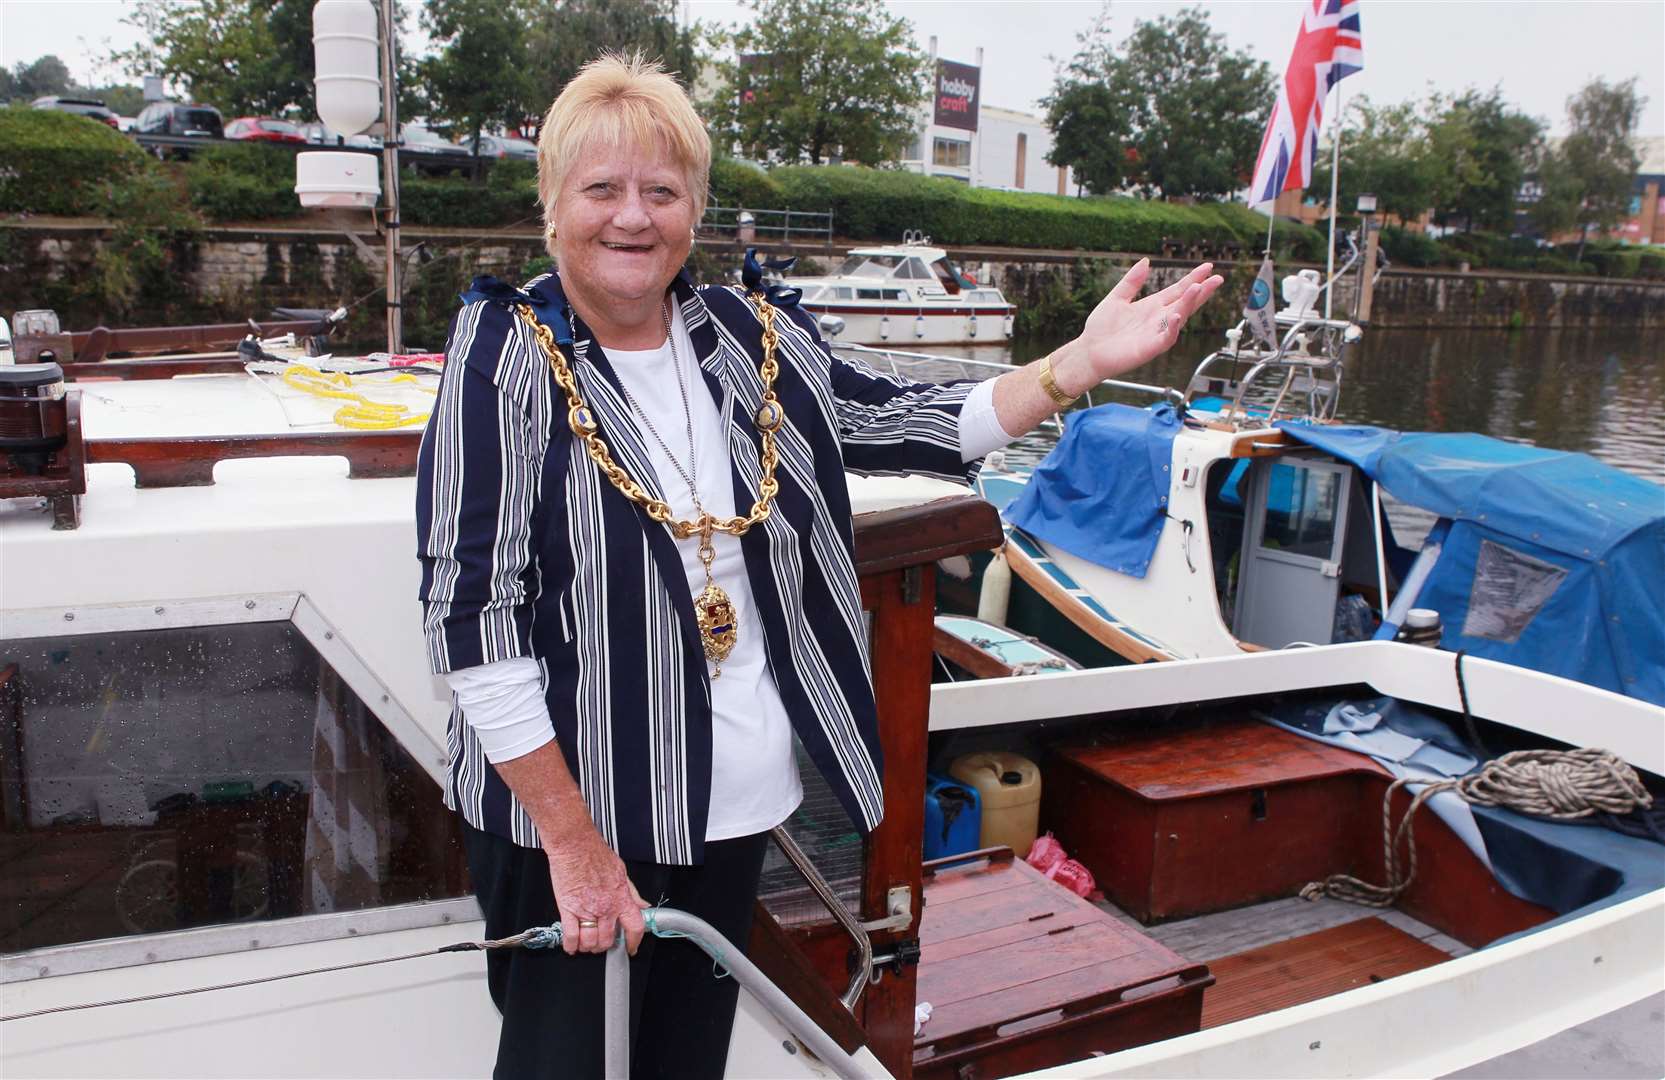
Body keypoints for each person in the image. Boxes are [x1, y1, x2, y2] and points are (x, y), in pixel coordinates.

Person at [415, 51, 1222, 1080]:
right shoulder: (507, 349)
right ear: (552, 204)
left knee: (682, 1065)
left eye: (661, 191)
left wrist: (1079, 365)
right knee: (559, 1068)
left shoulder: (752, 338)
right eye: (602, 189)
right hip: (576, 817)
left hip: (732, 801)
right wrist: (574, 846)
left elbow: (913, 421)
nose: (632, 217)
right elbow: (474, 616)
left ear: (694, 209)